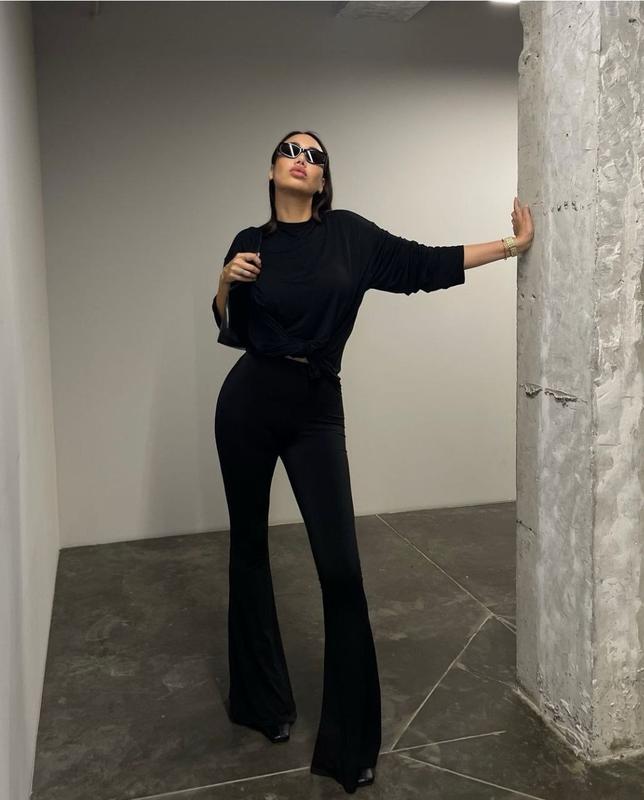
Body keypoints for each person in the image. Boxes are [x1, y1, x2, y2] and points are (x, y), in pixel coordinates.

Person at [212, 130, 534, 794]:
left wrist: (511, 246)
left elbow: (421, 265)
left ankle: (349, 743)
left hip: (314, 407)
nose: (303, 160)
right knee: (248, 548)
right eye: (292, 150)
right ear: (271, 169)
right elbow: (229, 324)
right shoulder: (249, 241)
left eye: (316, 156)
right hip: (247, 402)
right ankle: (261, 703)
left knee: (341, 570)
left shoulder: (349, 237)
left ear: (323, 180)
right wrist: (223, 282)